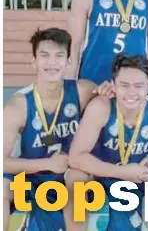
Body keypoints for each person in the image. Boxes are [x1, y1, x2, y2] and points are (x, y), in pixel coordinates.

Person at [3, 28, 96, 231]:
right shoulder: (18, 105)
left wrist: (108, 93)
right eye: (44, 55)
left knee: (78, 180)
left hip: (68, 176)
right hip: (30, 178)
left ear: (69, 62)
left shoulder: (84, 91)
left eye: (59, 56)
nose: (52, 63)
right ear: (34, 61)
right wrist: (47, 163)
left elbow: (111, 108)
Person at [67, 55, 148, 231]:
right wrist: (121, 171)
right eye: (124, 85)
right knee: (76, 178)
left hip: (131, 179)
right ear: (113, 85)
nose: (131, 93)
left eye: (138, 86)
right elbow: (75, 157)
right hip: (96, 173)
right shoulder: (101, 106)